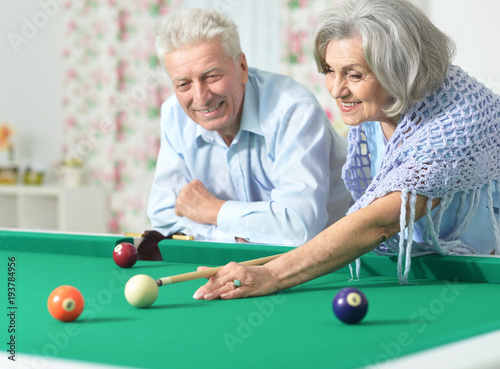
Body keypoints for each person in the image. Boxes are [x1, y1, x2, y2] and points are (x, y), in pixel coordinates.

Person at [193, 0, 500, 300]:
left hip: (487, 277)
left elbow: (379, 222)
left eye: (354, 75)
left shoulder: (460, 120)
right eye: (330, 70)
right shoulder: (376, 105)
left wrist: (273, 274)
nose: (336, 90)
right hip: (436, 272)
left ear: (401, 70)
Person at [147, 8, 352, 246]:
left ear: (242, 67)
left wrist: (214, 211)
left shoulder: (294, 110)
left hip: (335, 265)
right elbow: (164, 220)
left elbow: (299, 227)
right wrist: (238, 236)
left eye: (212, 76)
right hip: (240, 267)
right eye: (183, 84)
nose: (201, 98)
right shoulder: (174, 114)